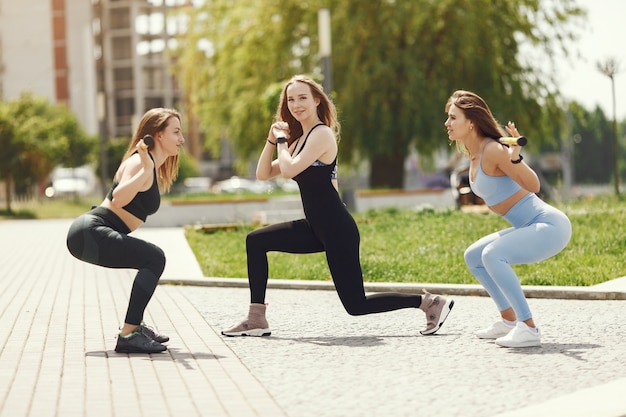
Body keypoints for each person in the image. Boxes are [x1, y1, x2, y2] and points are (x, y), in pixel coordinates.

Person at [222, 75, 454, 337]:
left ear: (317, 100)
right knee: (256, 241)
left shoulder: (321, 134)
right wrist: (270, 140)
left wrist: (282, 142)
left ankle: (428, 303)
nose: (296, 104)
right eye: (291, 99)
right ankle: (256, 319)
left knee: (356, 305)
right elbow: (264, 174)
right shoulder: (300, 139)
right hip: (315, 227)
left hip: (337, 229)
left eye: (302, 98)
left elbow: (287, 170)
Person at [444, 90, 572, 348]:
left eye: (452, 117)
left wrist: (514, 157)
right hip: (529, 226)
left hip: (548, 225)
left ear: (471, 122)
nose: (447, 123)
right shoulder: (473, 153)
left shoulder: (493, 150)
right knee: (474, 256)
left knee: (491, 254)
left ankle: (529, 328)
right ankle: (509, 321)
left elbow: (534, 185)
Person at [67, 108, 185, 353]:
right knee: (154, 257)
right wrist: (143, 169)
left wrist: (146, 168)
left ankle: (135, 327)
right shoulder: (139, 163)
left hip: (93, 232)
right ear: (158, 135)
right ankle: (129, 334)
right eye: (175, 132)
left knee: (151, 258)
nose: (181, 138)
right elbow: (119, 198)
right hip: (90, 232)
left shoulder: (148, 164)